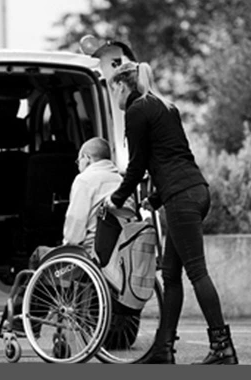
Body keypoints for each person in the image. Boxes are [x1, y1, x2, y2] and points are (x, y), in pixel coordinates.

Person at [103, 61, 238, 365]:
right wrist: (154, 197)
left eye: (114, 92)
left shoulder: (137, 110)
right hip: (195, 190)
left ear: (122, 86)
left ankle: (222, 347)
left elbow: (138, 164)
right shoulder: (166, 106)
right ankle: (164, 349)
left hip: (181, 197)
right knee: (171, 275)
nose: (115, 100)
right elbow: (171, 156)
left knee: (196, 271)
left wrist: (117, 197)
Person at [28, 137, 135, 269]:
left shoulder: (84, 180)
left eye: (79, 161)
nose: (78, 166)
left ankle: (29, 289)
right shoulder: (121, 181)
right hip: (121, 251)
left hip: (91, 253)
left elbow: (76, 221)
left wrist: (66, 247)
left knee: (39, 254)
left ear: (87, 158)